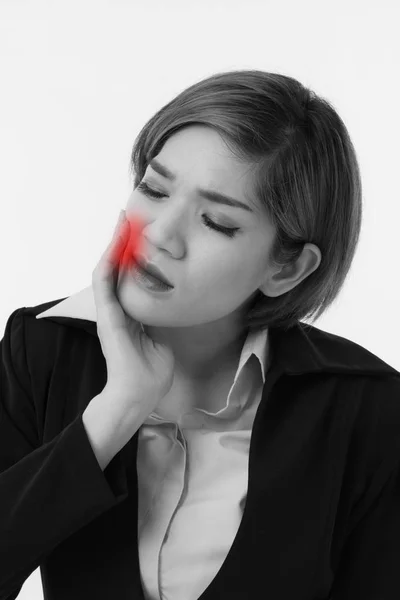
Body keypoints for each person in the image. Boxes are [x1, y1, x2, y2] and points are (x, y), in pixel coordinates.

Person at [1, 69, 400, 600]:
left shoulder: (368, 410)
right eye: (155, 188)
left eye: (217, 221)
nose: (162, 235)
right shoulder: (42, 350)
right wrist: (113, 413)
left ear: (287, 269)